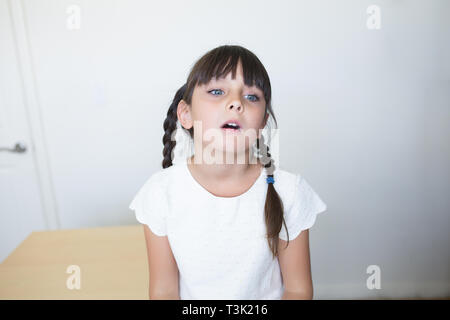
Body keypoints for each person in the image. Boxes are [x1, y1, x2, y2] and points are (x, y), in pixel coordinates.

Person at [129, 44, 327, 300]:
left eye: (252, 96)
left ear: (262, 122)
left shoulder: (290, 192)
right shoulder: (159, 193)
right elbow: (164, 290)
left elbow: (298, 289)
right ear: (186, 114)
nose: (235, 102)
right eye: (217, 91)